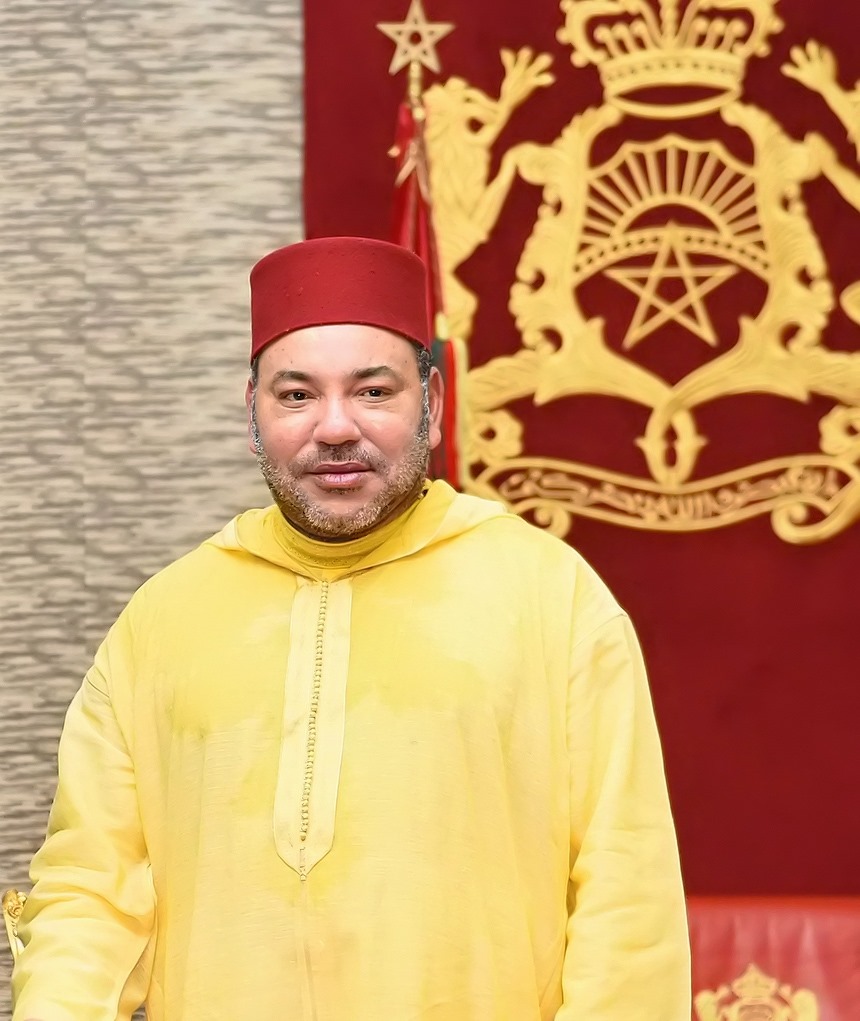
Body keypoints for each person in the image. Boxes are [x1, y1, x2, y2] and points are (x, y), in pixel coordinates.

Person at [11, 236, 691, 1020]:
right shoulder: (162, 621)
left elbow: (627, 898)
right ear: (253, 412)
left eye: (372, 390)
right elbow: (90, 891)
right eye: (297, 395)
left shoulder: (551, 597)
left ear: (432, 403)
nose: (335, 427)